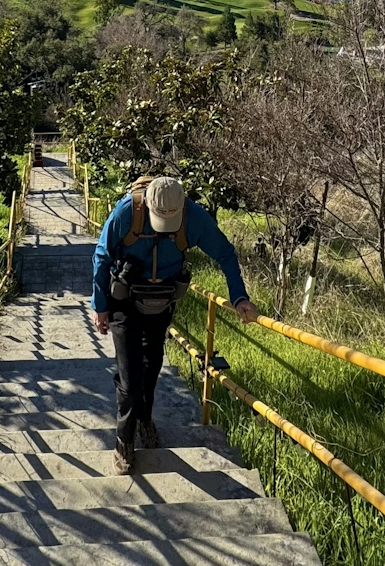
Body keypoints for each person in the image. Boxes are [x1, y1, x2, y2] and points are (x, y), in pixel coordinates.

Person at [92, 174, 259, 474]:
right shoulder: (127, 211)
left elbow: (225, 253)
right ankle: (124, 441)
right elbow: (102, 255)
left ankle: (145, 419)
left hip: (161, 301)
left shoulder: (194, 217)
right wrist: (100, 306)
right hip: (125, 301)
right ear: (148, 205)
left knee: (152, 365)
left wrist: (239, 297)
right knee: (130, 378)